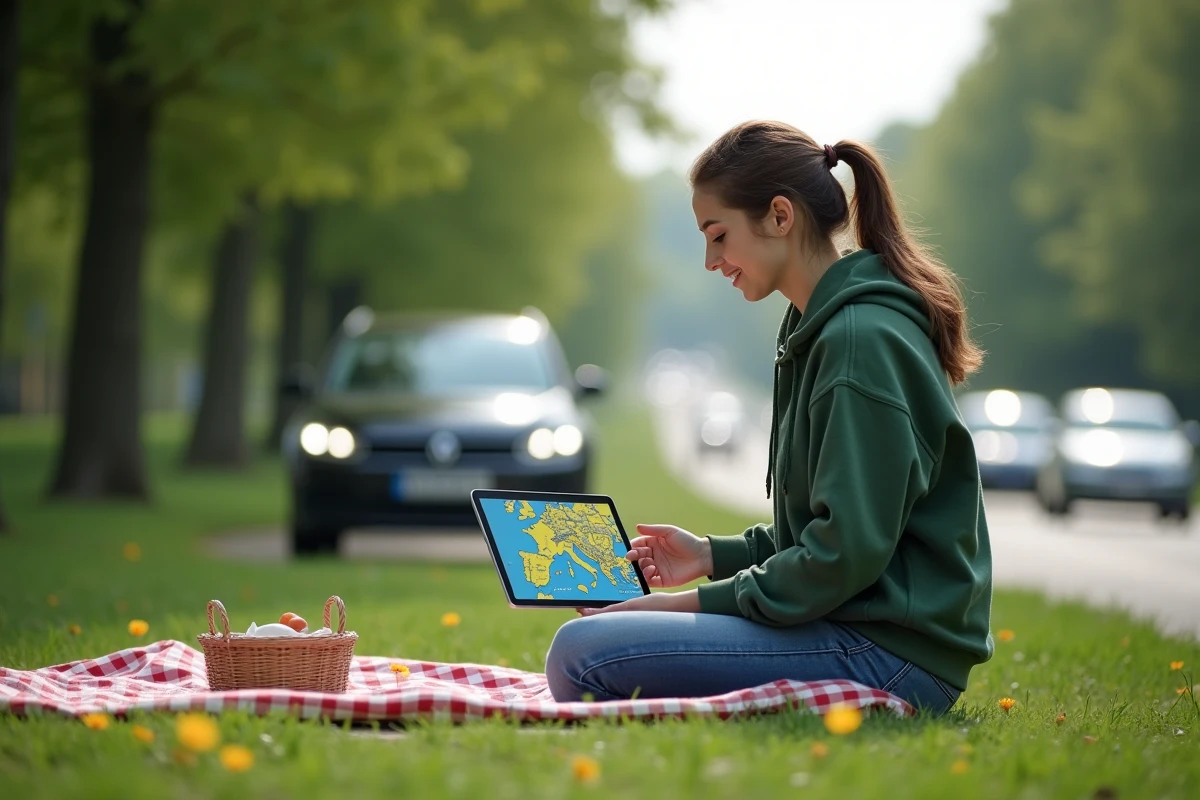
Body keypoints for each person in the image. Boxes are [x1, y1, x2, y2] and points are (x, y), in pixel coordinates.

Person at [544, 121, 993, 716]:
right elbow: (825, 535)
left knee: (583, 653)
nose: (710, 260)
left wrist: (677, 607)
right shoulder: (821, 328)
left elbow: (841, 557)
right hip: (864, 631)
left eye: (718, 235)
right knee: (585, 650)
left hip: (891, 654)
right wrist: (708, 554)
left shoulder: (860, 340)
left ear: (780, 217)